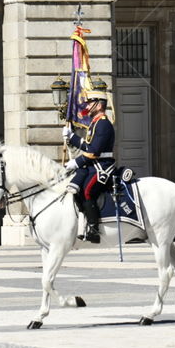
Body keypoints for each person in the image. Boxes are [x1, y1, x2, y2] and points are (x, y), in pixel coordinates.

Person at [63, 90, 115, 243]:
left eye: (91, 102)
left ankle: (93, 228)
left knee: (87, 190)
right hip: (94, 164)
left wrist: (76, 162)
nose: (88, 105)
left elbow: (94, 152)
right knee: (75, 187)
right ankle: (82, 223)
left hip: (103, 166)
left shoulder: (104, 123)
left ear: (99, 105)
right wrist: (71, 137)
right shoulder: (96, 123)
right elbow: (87, 146)